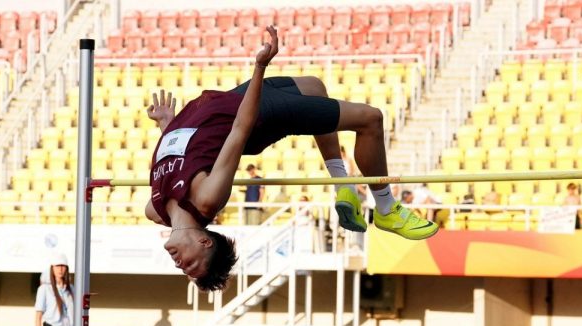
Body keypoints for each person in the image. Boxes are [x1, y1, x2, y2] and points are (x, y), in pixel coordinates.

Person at [144, 26, 438, 292]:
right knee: (371, 119)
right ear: (204, 242)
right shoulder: (207, 199)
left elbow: (173, 155)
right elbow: (239, 130)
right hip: (258, 114)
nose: (181, 266)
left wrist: (166, 125)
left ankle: (343, 186)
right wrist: (260, 67)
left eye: (185, 270)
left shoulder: (155, 209)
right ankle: (386, 208)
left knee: (314, 86)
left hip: (227, 101)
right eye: (192, 266)